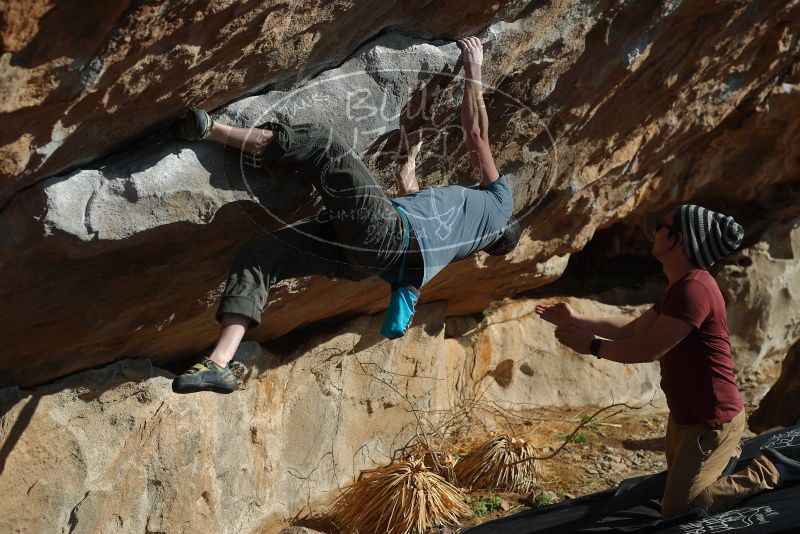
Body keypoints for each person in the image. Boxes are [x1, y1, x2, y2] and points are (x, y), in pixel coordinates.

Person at [172, 36, 519, 394]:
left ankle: (212, 130)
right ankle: (218, 364)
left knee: (325, 145)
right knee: (259, 256)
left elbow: (476, 134)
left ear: (505, 224)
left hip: (385, 233)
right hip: (365, 259)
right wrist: (411, 157)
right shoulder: (458, 240)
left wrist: (474, 67)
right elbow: (405, 185)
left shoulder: (500, 204)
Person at [536, 205, 800, 518]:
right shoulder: (680, 286)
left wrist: (592, 346)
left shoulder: (695, 290)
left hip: (712, 422)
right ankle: (725, 457)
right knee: (676, 496)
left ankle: (765, 471)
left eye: (662, 225)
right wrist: (577, 319)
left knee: (679, 510)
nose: (654, 230)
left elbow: (649, 349)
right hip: (686, 419)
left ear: (679, 240)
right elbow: (635, 328)